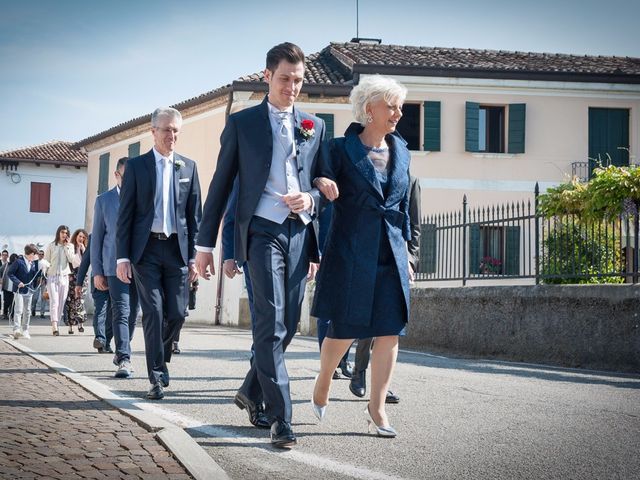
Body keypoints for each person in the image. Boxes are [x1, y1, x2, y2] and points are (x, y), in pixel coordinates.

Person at [195, 42, 326, 448]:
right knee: (269, 322)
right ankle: (281, 418)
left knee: (284, 328)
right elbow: (220, 187)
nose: (292, 87)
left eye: (299, 80)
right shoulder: (242, 124)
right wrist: (205, 244)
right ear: (267, 76)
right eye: (285, 79)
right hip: (261, 232)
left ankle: (251, 390)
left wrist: (312, 199)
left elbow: (322, 183)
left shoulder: (315, 126)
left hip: (300, 234)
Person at [311, 75, 411, 438]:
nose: (398, 113)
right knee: (344, 329)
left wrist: (409, 255)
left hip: (392, 252)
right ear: (369, 109)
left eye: (399, 106)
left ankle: (378, 407)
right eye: (392, 105)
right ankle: (323, 383)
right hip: (352, 252)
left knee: (390, 332)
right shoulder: (339, 149)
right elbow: (316, 180)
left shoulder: (402, 150)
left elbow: (405, 206)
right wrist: (320, 182)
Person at [116, 107, 202, 400]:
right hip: (146, 251)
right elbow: (125, 216)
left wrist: (194, 256)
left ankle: (162, 358)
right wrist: (122, 257)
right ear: (153, 132)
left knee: (177, 313)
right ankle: (154, 376)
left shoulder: (188, 167)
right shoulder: (137, 167)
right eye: (166, 130)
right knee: (152, 311)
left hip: (177, 251)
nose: (172, 135)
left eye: (176, 130)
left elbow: (195, 218)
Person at [349, 174, 422, 403]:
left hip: (398, 261)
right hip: (370, 257)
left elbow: (416, 227)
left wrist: (409, 260)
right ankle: (359, 372)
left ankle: (381, 387)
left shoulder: (411, 181)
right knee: (369, 320)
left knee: (389, 326)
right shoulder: (371, 177)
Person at [220, 179, 269, 428]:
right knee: (265, 326)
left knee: (284, 327)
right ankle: (260, 398)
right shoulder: (250, 161)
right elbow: (232, 211)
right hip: (255, 252)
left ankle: (252, 389)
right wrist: (229, 254)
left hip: (292, 250)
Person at [93, 156, 139, 377]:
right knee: (121, 311)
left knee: (132, 314)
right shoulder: (104, 201)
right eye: (126, 176)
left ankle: (123, 347)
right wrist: (97, 271)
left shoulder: (142, 199)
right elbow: (97, 239)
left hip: (139, 266)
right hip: (113, 266)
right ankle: (124, 358)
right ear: (116, 175)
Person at [315, 202, 353, 380]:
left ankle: (343, 360)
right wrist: (316, 254)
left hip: (350, 257)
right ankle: (327, 364)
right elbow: (314, 221)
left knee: (346, 313)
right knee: (326, 314)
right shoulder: (324, 190)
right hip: (325, 257)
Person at [76, 235, 113, 354]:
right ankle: (103, 341)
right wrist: (79, 283)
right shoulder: (94, 236)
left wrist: (79, 283)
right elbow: (86, 259)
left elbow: (85, 260)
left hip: (108, 278)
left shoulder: (94, 236)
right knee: (108, 311)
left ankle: (101, 339)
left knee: (103, 311)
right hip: (105, 278)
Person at [43, 225, 81, 335]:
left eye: (66, 233)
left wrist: (67, 246)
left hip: (64, 277)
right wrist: (44, 274)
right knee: (54, 301)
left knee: (61, 303)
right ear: (58, 233)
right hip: (52, 277)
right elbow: (46, 261)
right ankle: (54, 326)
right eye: (62, 232)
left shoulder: (70, 246)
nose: (64, 234)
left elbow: (71, 259)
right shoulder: (51, 246)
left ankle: (57, 325)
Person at [7, 243, 42, 339]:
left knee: (27, 311)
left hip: (29, 290)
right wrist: (18, 282)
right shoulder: (18, 261)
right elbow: (10, 273)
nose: (36, 256)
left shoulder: (34, 263)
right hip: (19, 290)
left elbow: (35, 276)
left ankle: (25, 329)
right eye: (35, 254)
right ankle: (16, 329)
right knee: (18, 309)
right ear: (31, 253)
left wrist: (42, 270)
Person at [65, 228, 88, 334]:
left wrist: (83, 250)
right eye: (80, 236)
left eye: (83, 237)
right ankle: (70, 326)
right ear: (76, 236)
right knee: (71, 301)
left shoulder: (86, 249)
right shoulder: (71, 247)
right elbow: (70, 261)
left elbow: (87, 263)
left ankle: (80, 324)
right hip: (72, 275)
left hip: (83, 276)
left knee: (80, 299)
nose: (81, 238)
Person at [30, 250, 47, 318]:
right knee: (35, 298)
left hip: (44, 282)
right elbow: (32, 272)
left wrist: (44, 279)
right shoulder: (34, 262)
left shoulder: (46, 262)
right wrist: (36, 279)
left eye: (42, 254)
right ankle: (33, 309)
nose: (41, 255)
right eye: (40, 254)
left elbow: (48, 272)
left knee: (44, 298)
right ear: (38, 255)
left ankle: (42, 313)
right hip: (36, 282)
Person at [1, 250, 14, 321]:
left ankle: (11, 315)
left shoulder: (16, 266)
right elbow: (0, 271)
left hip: (13, 288)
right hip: (6, 287)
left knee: (12, 302)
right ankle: (5, 313)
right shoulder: (6, 265)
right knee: (6, 301)